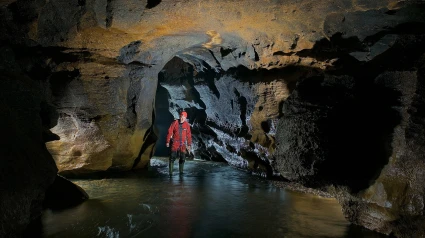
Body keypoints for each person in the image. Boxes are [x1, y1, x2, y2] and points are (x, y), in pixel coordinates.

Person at [166, 110, 192, 176]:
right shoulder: (175, 123)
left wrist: (189, 144)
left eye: (183, 117)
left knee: (183, 158)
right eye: (181, 116)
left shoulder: (187, 125)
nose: (181, 118)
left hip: (183, 144)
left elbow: (189, 135)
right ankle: (170, 173)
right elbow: (170, 132)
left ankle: (181, 173)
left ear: (185, 118)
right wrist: (167, 141)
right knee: (172, 157)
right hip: (175, 143)